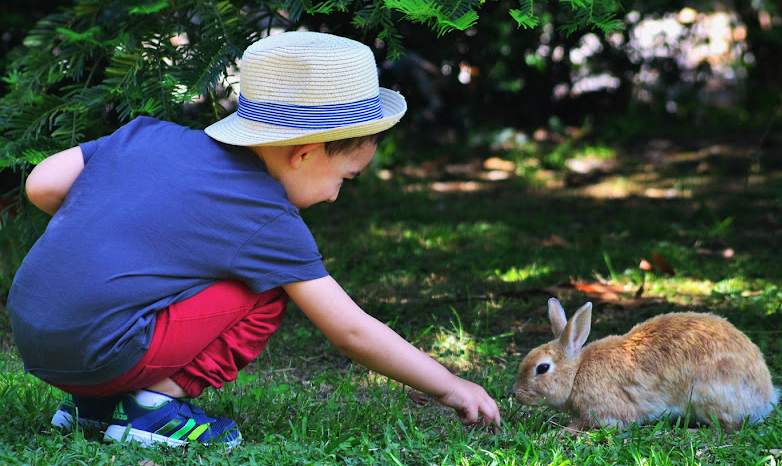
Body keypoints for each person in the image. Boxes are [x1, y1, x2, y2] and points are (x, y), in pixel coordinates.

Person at [8, 31, 501, 448]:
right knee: (267, 290)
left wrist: (111, 226)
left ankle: (94, 406)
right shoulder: (268, 218)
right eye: (346, 178)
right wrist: (450, 385)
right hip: (100, 351)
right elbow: (349, 330)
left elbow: (42, 184)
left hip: (32, 333)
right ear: (304, 155)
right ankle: (150, 407)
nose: (335, 197)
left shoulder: (147, 135)